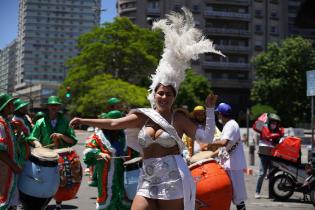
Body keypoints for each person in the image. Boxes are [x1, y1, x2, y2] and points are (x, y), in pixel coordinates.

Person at [70, 8, 223, 210]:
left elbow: (207, 139)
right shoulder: (143, 116)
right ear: (154, 94)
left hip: (172, 180)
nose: (164, 97)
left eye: (169, 94)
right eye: (161, 93)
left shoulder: (179, 119)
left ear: (174, 97)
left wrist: (210, 111)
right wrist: (84, 120)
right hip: (147, 179)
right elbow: (114, 123)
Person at [27, 95, 78, 210]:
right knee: (43, 181)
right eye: (52, 105)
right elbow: (32, 137)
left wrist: (62, 136)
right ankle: (43, 203)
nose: (54, 107)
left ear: (59, 107)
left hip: (61, 157)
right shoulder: (40, 122)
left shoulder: (65, 121)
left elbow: (73, 140)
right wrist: (37, 144)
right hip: (45, 157)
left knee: (61, 181)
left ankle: (58, 204)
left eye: (56, 105)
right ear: (48, 107)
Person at [84, 110, 131, 210]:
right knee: (106, 197)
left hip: (124, 173)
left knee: (124, 197)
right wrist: (99, 153)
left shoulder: (127, 135)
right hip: (105, 173)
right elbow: (88, 150)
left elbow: (135, 152)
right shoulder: (99, 136)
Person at [207, 103, 247, 210]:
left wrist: (209, 144)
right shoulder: (229, 125)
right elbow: (225, 148)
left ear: (220, 114)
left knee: (238, 198)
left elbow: (224, 142)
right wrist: (209, 155)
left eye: (218, 114)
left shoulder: (231, 125)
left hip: (233, 166)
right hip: (230, 165)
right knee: (227, 194)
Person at [0, 93, 23, 210]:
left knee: (10, 202)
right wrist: (14, 166)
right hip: (5, 169)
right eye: (11, 104)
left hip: (10, 169)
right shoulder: (0, 124)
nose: (13, 106)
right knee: (3, 201)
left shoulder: (7, 123)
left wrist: (18, 133)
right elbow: (0, 150)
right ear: (6, 106)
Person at [255, 113, 284, 199]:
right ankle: (257, 192)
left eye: (275, 123)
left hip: (273, 154)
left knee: (272, 174)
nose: (273, 125)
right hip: (264, 153)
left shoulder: (278, 131)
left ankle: (271, 194)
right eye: (272, 123)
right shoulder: (264, 128)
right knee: (261, 173)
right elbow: (258, 128)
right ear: (269, 122)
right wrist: (263, 117)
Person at [11, 98, 33, 167]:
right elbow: (19, 138)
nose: (25, 108)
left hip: (30, 146)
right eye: (22, 108)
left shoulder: (25, 117)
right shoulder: (15, 121)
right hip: (22, 149)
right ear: (17, 110)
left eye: (25, 107)